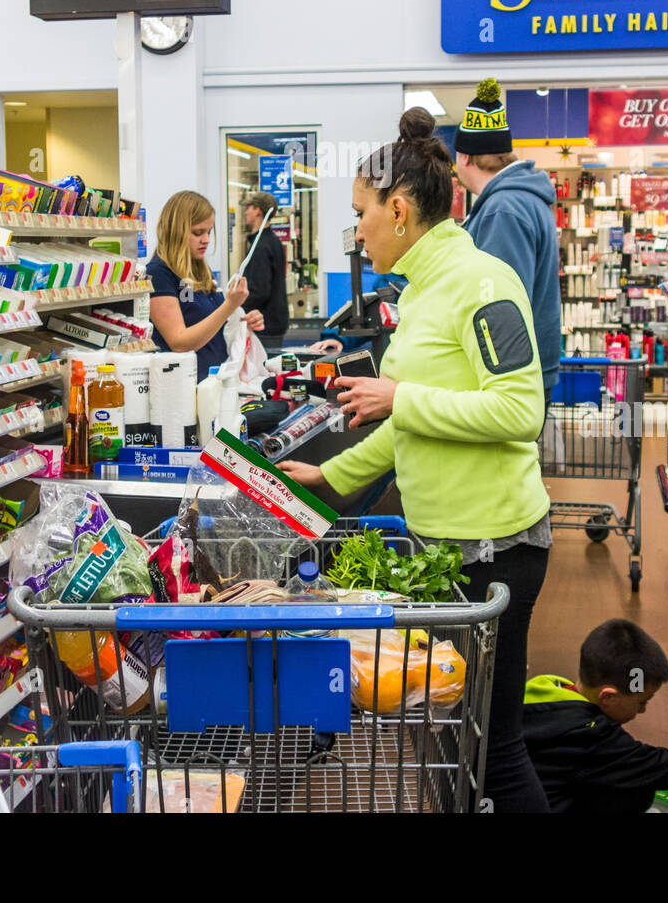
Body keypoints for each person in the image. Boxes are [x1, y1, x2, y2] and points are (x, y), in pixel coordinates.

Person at [279, 107, 551, 813]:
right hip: (445, 546)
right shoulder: (424, 288)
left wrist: (402, 393)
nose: (356, 230)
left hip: (492, 549)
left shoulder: (481, 283)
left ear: (398, 209)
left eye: (360, 213)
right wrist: (332, 477)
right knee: (451, 739)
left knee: (490, 746)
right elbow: (411, 422)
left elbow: (520, 412)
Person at [522, 618, 668, 813]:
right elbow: (659, 767)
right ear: (608, 698)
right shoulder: (591, 736)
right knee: (638, 789)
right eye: (642, 702)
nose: (643, 710)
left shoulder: (544, 688)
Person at [453, 78, 561, 410]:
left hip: (509, 382)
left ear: (466, 157)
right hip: (524, 375)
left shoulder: (503, 210)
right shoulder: (518, 201)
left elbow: (499, 307)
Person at [147, 190, 264, 376]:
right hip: (184, 385)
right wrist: (229, 306)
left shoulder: (201, 271)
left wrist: (241, 321)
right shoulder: (158, 274)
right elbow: (178, 342)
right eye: (198, 232)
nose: (206, 240)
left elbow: (213, 323)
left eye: (209, 232)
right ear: (176, 231)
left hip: (216, 380)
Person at [240, 190, 289, 353]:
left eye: (249, 207)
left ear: (258, 211)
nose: (246, 211)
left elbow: (260, 290)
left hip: (264, 324)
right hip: (274, 321)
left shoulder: (260, 246)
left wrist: (234, 307)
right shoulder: (274, 241)